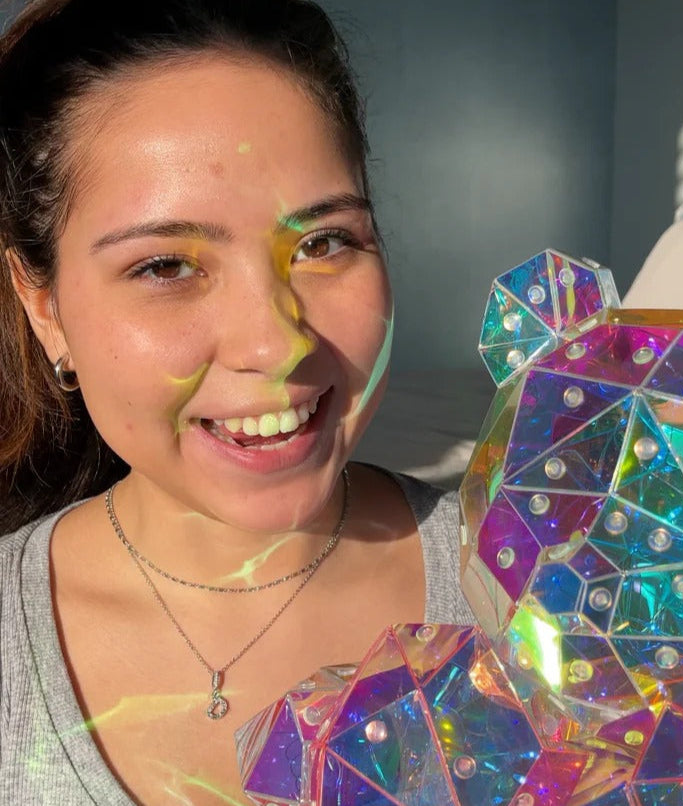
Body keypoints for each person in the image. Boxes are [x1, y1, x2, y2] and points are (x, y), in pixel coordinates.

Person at [0, 0, 474, 802]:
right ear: (43, 306)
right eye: (164, 267)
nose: (276, 345)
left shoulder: (541, 588)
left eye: (323, 243)